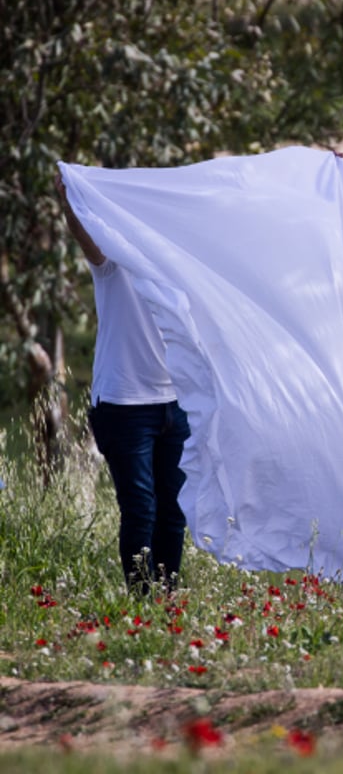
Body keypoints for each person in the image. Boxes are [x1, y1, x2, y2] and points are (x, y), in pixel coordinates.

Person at [55, 170, 191, 595]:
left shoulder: (181, 268)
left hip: (176, 404)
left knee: (173, 512)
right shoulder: (113, 264)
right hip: (124, 405)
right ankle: (141, 602)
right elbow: (85, 239)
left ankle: (166, 598)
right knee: (140, 511)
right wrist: (69, 202)